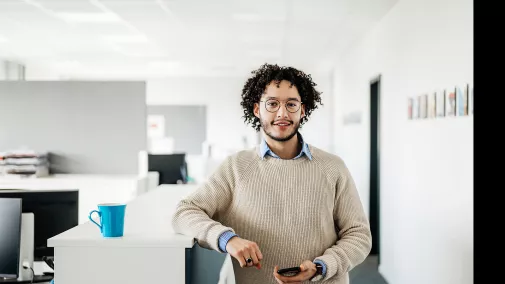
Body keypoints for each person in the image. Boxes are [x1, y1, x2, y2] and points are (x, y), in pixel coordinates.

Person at [172, 63, 372, 283]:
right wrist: (226, 238)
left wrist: (321, 266)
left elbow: (359, 235)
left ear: (303, 110)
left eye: (291, 104)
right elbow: (184, 212)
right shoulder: (236, 167)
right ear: (257, 109)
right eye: (272, 104)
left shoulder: (333, 167)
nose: (282, 113)